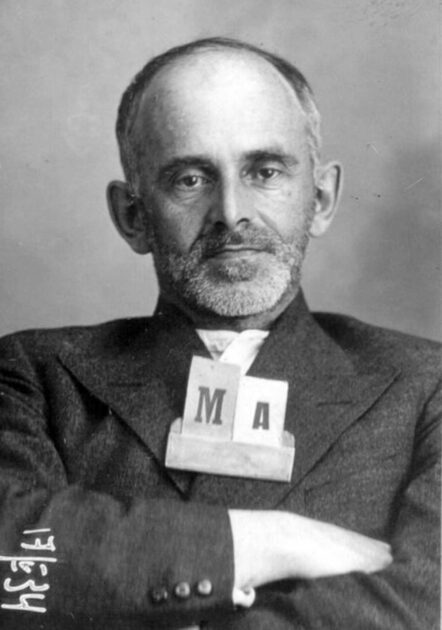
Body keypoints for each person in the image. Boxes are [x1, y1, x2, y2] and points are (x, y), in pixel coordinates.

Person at [0, 37, 439, 630]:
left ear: (322, 198)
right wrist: (264, 543)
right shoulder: (33, 376)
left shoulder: (425, 387)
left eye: (265, 171)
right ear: (133, 217)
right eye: (189, 179)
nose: (231, 212)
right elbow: (10, 564)